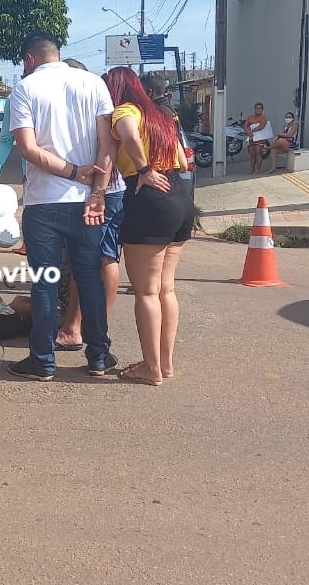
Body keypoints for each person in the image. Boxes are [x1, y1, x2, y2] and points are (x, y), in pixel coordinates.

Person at [6, 32, 119, 381]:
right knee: (89, 277)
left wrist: (72, 172)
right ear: (57, 53)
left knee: (45, 282)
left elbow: (27, 148)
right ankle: (98, 356)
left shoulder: (25, 88)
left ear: (29, 59)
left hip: (44, 202)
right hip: (88, 202)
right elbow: (108, 144)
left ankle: (43, 361)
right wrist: (97, 191)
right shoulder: (94, 83)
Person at [107, 66, 194, 386]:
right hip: (180, 196)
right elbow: (184, 161)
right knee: (166, 288)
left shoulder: (125, 110)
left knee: (145, 291)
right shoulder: (162, 114)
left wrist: (143, 168)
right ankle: (165, 363)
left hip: (148, 196)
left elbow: (128, 133)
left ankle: (150, 367)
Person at [54, 59, 126, 352]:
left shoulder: (96, 107)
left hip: (101, 192)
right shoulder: (98, 104)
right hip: (107, 190)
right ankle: (92, 327)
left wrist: (97, 191)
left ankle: (79, 328)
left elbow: (105, 150)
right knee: (99, 258)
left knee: (91, 259)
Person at [244, 102, 272, 175]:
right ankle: (252, 170)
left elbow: (262, 126)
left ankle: (257, 170)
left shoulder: (263, 117)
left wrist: (252, 130)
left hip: (260, 137)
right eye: (257, 108)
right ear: (254, 109)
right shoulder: (250, 117)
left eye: (260, 108)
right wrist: (248, 131)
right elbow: (245, 125)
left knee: (258, 153)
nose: (258, 109)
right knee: (252, 154)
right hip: (251, 137)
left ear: (262, 109)